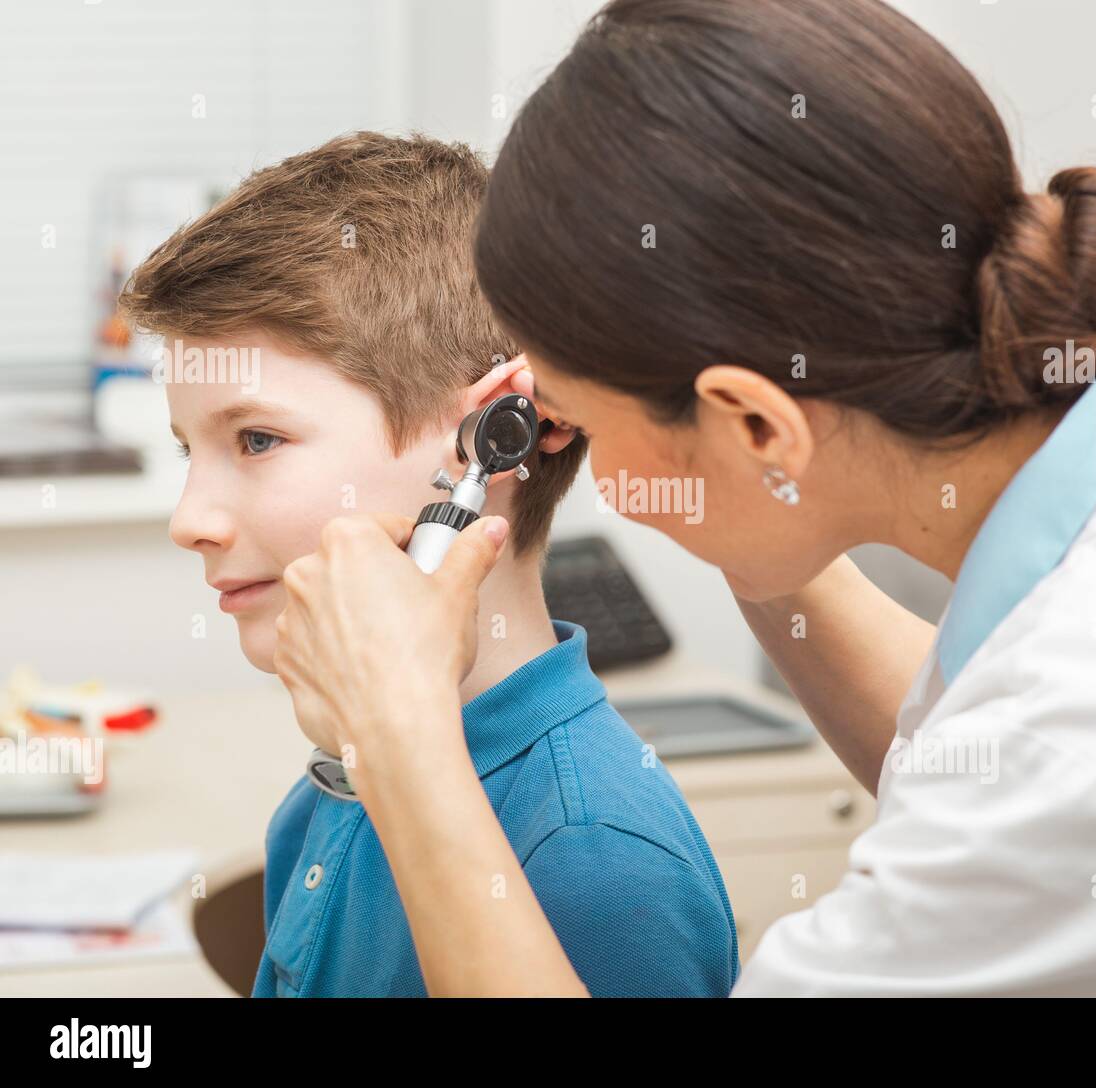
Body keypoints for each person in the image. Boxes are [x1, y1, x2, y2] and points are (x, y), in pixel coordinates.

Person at [274, 0, 1096, 996]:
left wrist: (399, 732)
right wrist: (751, 509)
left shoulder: (1079, 754)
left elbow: (1040, 760)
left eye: (583, 409)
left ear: (759, 423)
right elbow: (951, 737)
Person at [120, 132, 740, 998]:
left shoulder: (592, 862)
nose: (191, 521)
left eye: (257, 439)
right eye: (191, 451)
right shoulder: (333, 789)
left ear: (497, 436)